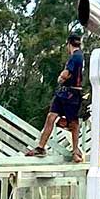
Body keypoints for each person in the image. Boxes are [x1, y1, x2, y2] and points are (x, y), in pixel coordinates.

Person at [27, 32, 86, 163]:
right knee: (52, 117)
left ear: (68, 44)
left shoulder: (75, 57)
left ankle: (75, 151)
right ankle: (41, 148)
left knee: (72, 123)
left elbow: (66, 75)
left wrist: (60, 77)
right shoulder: (79, 56)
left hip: (70, 93)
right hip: (66, 93)